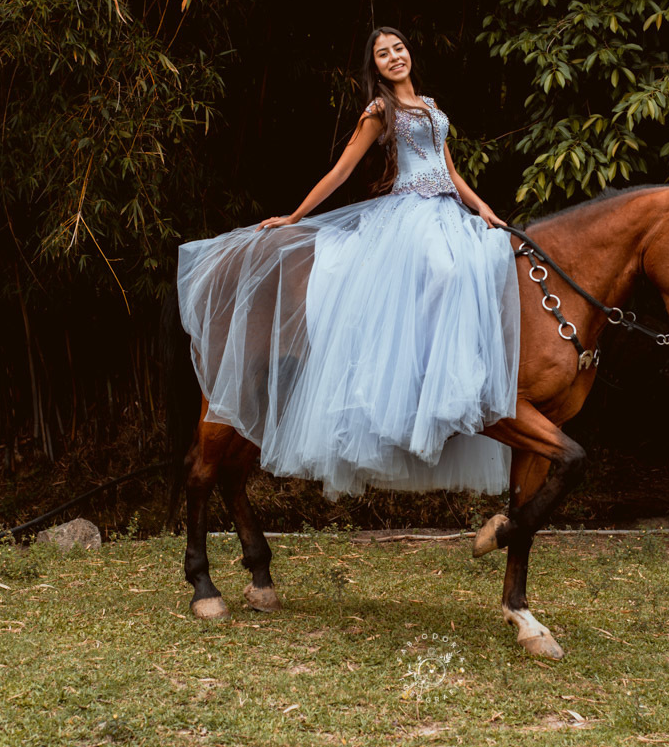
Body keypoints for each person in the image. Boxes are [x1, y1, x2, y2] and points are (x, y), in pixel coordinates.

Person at [176, 26, 520, 500]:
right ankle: (419, 375)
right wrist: (295, 215)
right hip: (410, 214)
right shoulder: (380, 111)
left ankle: (458, 375)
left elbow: (450, 170)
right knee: (443, 272)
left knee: (484, 270)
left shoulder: (433, 106)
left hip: (448, 210)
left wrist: (481, 208)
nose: (395, 57)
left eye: (399, 48)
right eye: (384, 53)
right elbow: (341, 170)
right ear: (375, 66)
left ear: (409, 54)